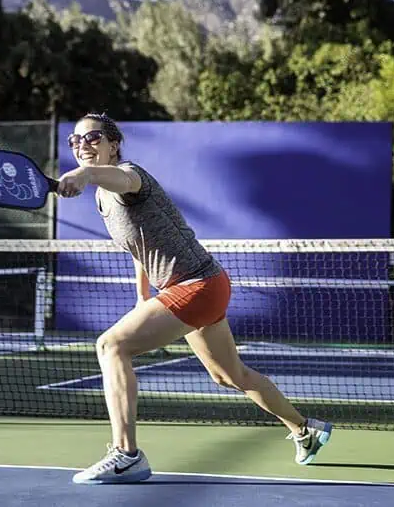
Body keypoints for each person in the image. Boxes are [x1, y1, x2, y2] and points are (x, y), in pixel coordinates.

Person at [56, 112, 333, 485]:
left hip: (198, 284)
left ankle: (126, 455)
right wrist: (142, 296)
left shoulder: (129, 174)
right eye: (75, 141)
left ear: (112, 144)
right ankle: (305, 429)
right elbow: (139, 247)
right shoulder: (103, 201)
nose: (82, 146)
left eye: (91, 138)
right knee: (229, 376)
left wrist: (85, 174)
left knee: (110, 346)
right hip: (197, 286)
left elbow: (119, 178)